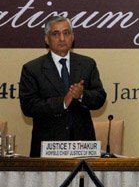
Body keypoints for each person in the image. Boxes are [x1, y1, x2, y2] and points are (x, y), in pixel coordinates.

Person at [19, 15, 107, 157]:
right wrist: (62, 103)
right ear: (46, 39)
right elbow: (28, 106)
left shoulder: (87, 64)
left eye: (66, 33)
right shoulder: (32, 69)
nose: (61, 38)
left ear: (72, 37)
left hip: (82, 145)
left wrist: (82, 95)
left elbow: (100, 98)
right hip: (47, 146)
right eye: (55, 34)